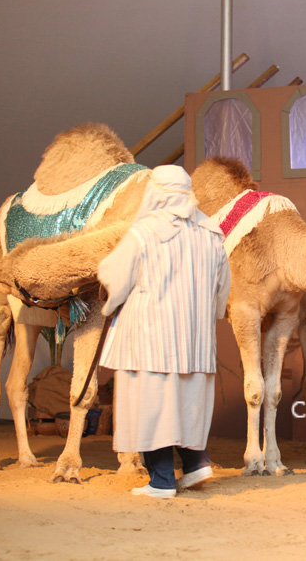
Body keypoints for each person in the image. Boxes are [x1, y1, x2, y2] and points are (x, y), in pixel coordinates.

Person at [98, 165, 231, 498]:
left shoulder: (144, 232)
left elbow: (115, 278)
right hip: (194, 338)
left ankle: (161, 481)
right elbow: (222, 288)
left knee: (152, 405)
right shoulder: (212, 232)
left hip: (150, 336)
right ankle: (195, 464)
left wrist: (110, 297)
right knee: (186, 404)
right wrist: (207, 315)